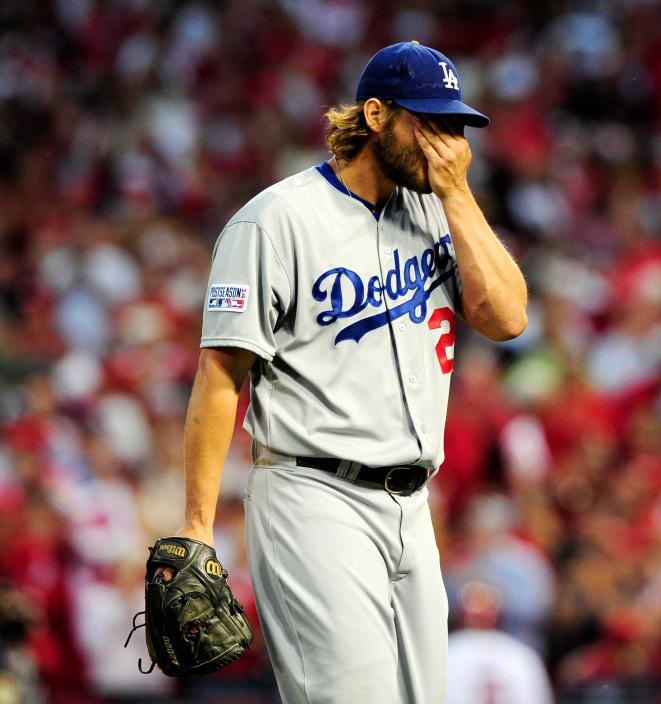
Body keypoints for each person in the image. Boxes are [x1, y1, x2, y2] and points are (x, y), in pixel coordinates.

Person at [166, 41, 527, 704]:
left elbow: (505, 319)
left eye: (456, 127)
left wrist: (459, 196)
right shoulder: (275, 220)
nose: (448, 143)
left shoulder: (437, 210)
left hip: (412, 506)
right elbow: (221, 375)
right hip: (314, 497)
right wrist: (195, 524)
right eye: (432, 123)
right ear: (376, 114)